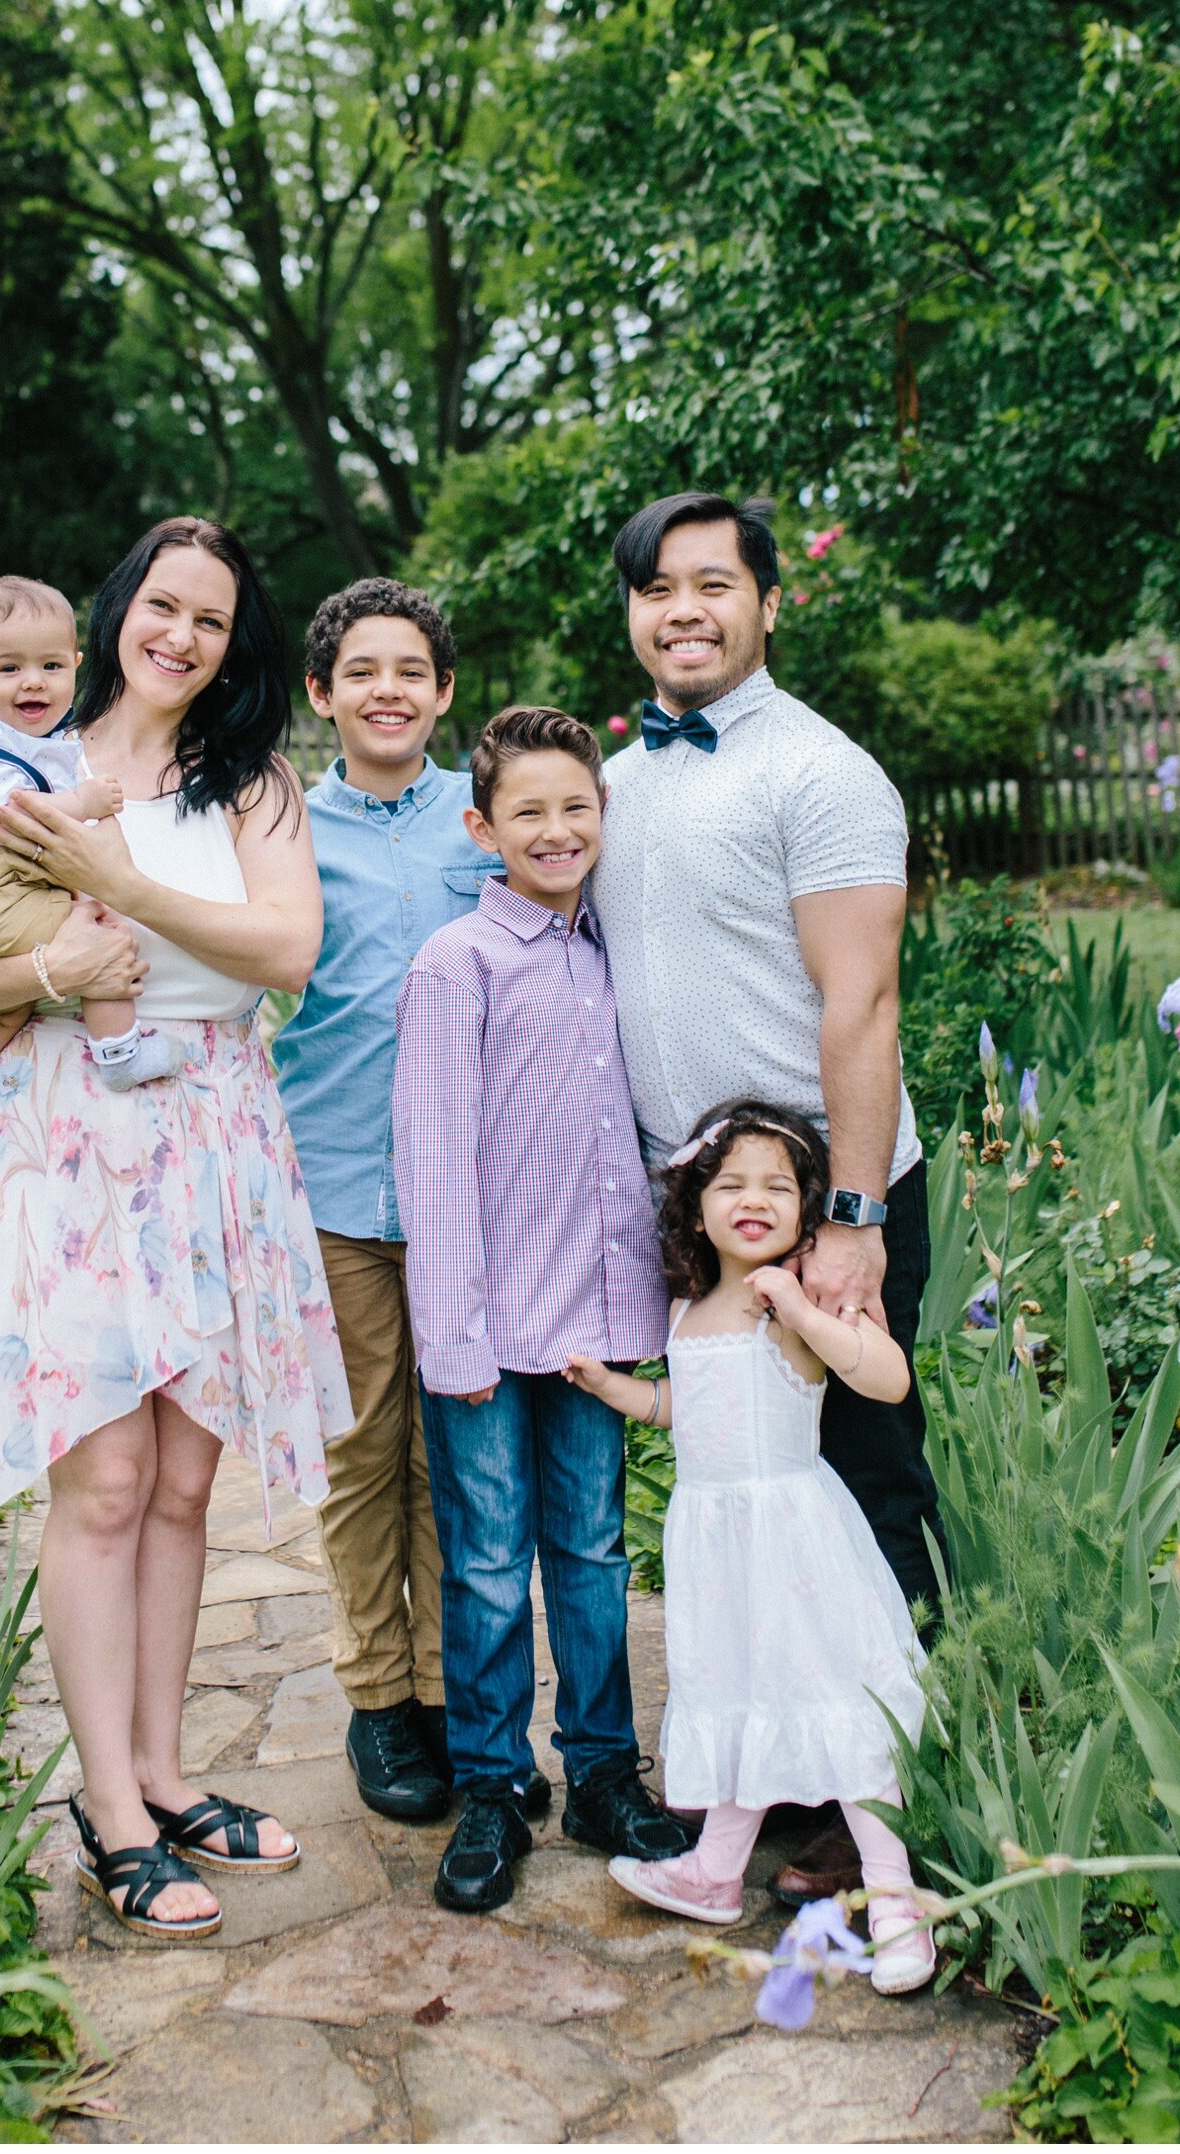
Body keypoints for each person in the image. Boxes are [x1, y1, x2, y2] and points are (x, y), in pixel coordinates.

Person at [0, 516, 352, 1942]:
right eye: (164, 604)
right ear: (120, 610)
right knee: (98, 1483)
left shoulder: (256, 784)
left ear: (236, 645)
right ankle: (108, 1808)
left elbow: (286, 952)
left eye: (212, 620)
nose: (183, 635)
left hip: (210, 1128)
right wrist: (50, 959)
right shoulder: (23, 755)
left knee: (177, 1485)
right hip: (68, 1136)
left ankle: (165, 1771)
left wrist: (136, 897)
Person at [591, 488, 946, 1906]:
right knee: (752, 1494)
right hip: (702, 1210)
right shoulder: (623, 778)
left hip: (823, 1200)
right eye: (656, 588)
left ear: (768, 603)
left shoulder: (823, 769)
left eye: (712, 585)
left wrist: (852, 1214)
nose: (683, 609)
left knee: (862, 1484)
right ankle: (782, 1789)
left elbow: (861, 1002)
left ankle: (901, 1793)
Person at [393, 705, 688, 1914]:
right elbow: (434, 1160)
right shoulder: (457, 961)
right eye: (530, 810)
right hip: (489, 1323)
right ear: (484, 826)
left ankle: (607, 1769)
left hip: (598, 1320)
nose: (557, 828)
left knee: (594, 1550)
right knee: (484, 1560)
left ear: (602, 816)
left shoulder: (616, 953)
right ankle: (494, 1784)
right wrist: (451, 1339)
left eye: (578, 806)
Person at [273, 579, 552, 1829]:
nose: (388, 687)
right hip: (333, 1179)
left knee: (462, 1454)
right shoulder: (277, 826)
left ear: (444, 692)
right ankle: (379, 1693)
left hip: (474, 1196)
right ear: (321, 694)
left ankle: (455, 1694)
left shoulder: (485, 825)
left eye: (413, 669)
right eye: (361, 669)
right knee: (363, 1448)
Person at [565, 1101, 935, 1993]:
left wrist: (804, 1312)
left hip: (795, 1543)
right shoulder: (689, 1310)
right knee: (736, 1694)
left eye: (777, 1186)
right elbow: (683, 1414)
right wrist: (614, 1386)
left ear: (807, 1213)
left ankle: (893, 1896)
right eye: (730, 1184)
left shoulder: (792, 1307)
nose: (753, 1200)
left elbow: (886, 1380)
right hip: (718, 1550)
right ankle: (714, 1872)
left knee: (837, 1707)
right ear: (697, 1209)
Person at [0, 574, 182, 1156]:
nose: (33, 682)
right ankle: (120, 1051)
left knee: (9, 1000)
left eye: (50, 667)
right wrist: (83, 804)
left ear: (75, 664)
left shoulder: (16, 733)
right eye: (9, 669)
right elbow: (15, 814)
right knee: (99, 932)